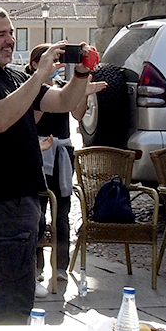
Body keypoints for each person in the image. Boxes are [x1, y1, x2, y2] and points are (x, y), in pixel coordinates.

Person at [0, 6, 94, 324]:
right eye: (0, 34)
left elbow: (61, 102)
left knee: (9, 280)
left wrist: (81, 74)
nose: (9, 40)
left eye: (10, 32)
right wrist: (37, 76)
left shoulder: (16, 76)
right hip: (0, 195)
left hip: (24, 193)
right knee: (18, 287)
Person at [26, 43, 105, 298]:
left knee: (62, 212)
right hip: (38, 152)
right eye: (49, 60)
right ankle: (35, 266)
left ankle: (59, 266)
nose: (55, 65)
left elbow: (78, 114)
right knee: (37, 213)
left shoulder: (62, 87)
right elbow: (32, 120)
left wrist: (82, 92)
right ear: (36, 64)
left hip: (62, 153)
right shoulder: (29, 88)